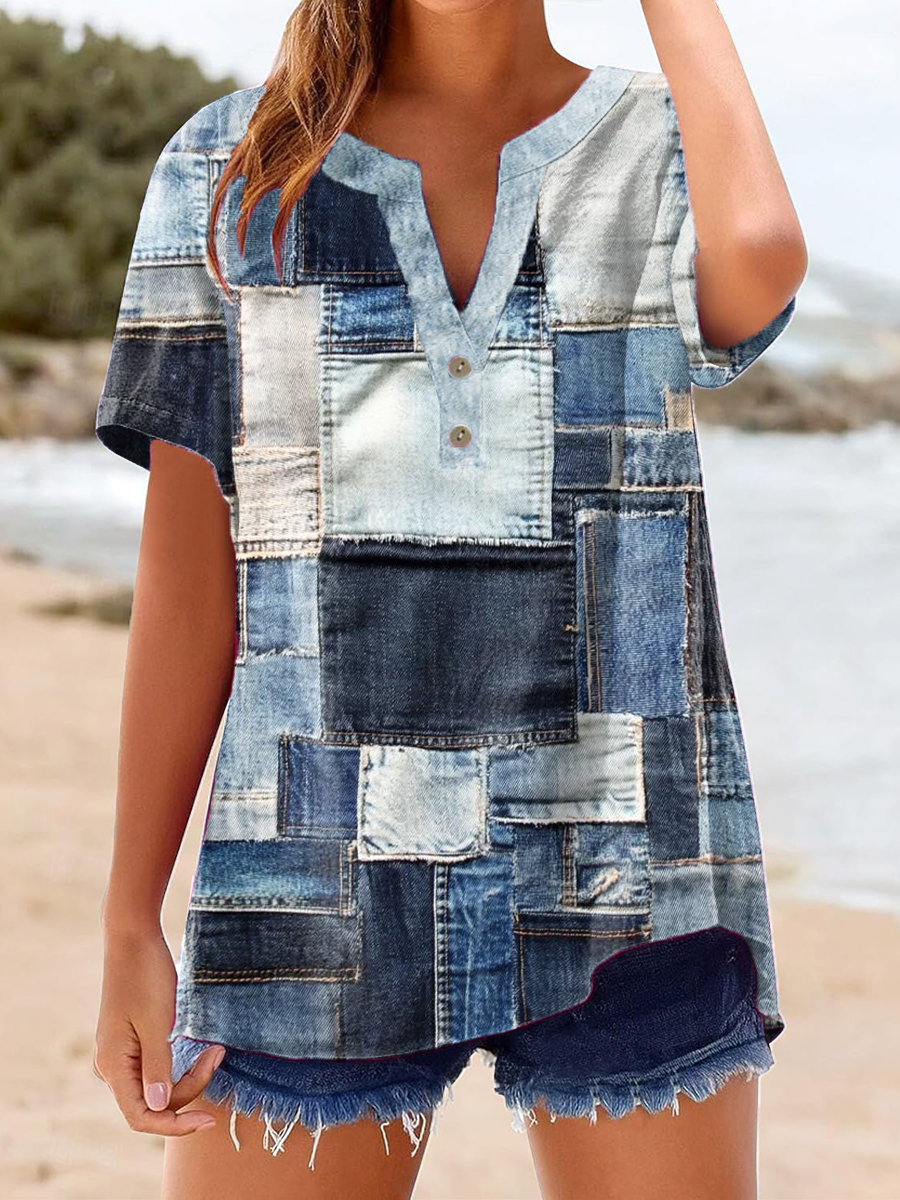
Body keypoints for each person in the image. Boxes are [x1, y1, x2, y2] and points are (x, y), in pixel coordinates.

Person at [91, 0, 806, 1196]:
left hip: (639, 866)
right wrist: (129, 917)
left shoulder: (660, 140)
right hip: (305, 881)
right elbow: (187, 583)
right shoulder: (228, 169)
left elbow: (762, 257)